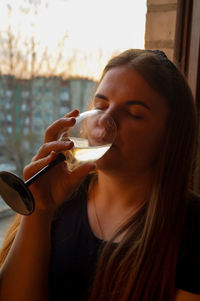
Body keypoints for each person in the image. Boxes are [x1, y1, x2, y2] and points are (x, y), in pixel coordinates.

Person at [0, 49, 200, 301]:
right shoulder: (59, 199)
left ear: (171, 136)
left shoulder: (192, 227)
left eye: (134, 113)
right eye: (100, 106)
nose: (106, 120)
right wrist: (39, 210)